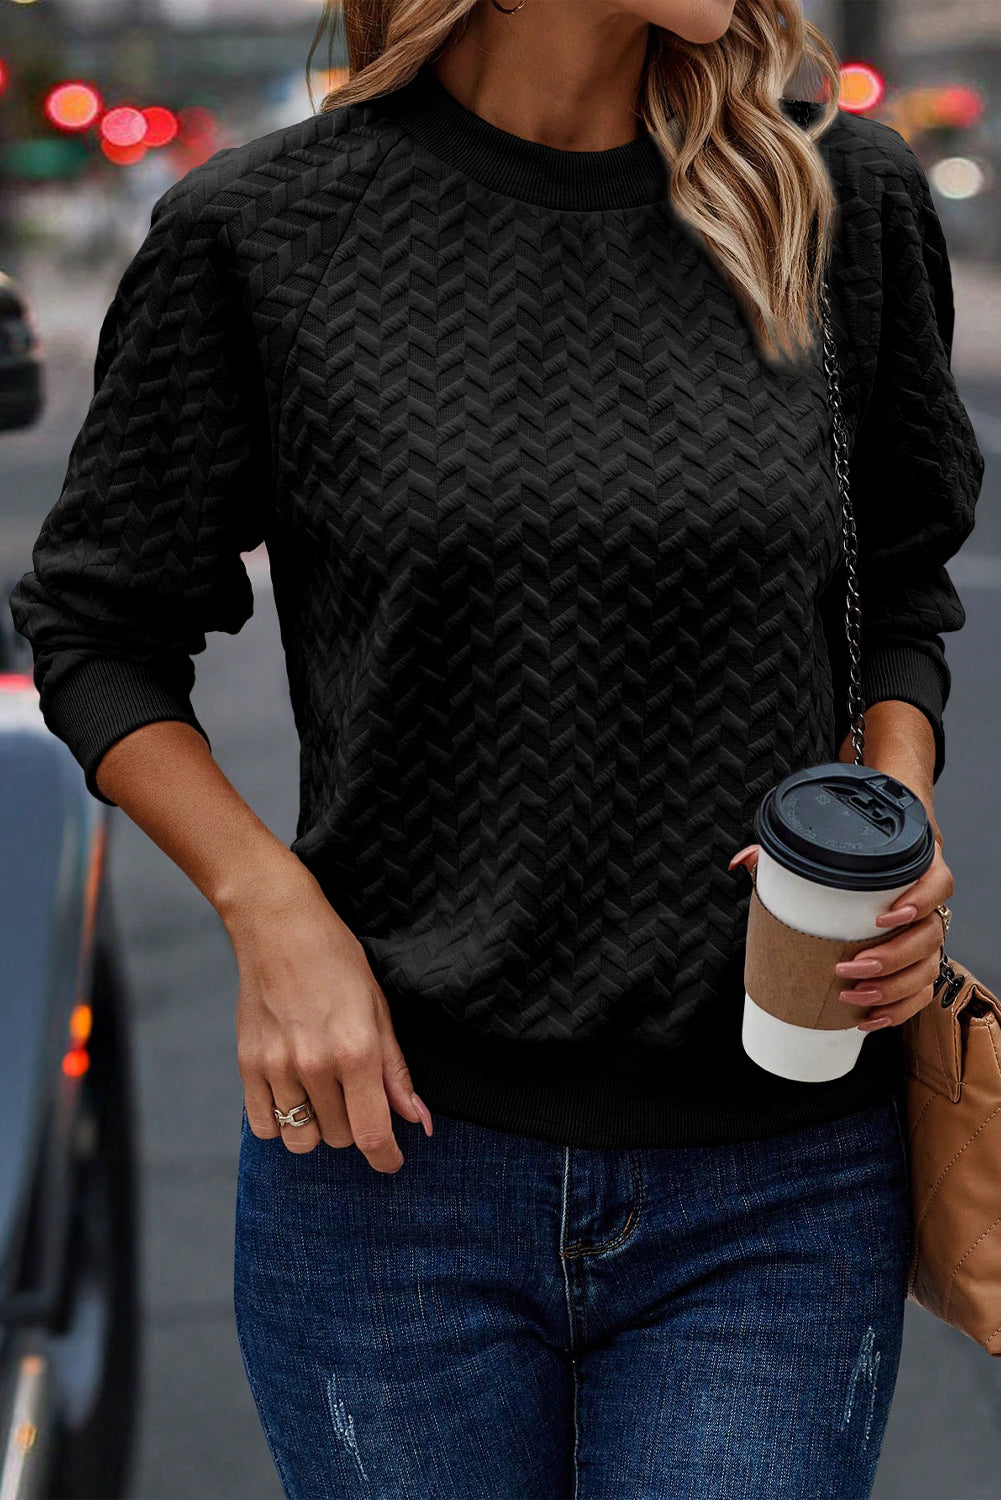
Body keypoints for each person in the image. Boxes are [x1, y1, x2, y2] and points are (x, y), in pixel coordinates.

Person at [8, 1, 985, 1496]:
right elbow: (96, 628)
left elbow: (899, 578)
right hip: (389, 1169)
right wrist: (273, 914)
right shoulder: (261, 233)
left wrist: (890, 807)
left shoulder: (834, 198)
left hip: (774, 1176)